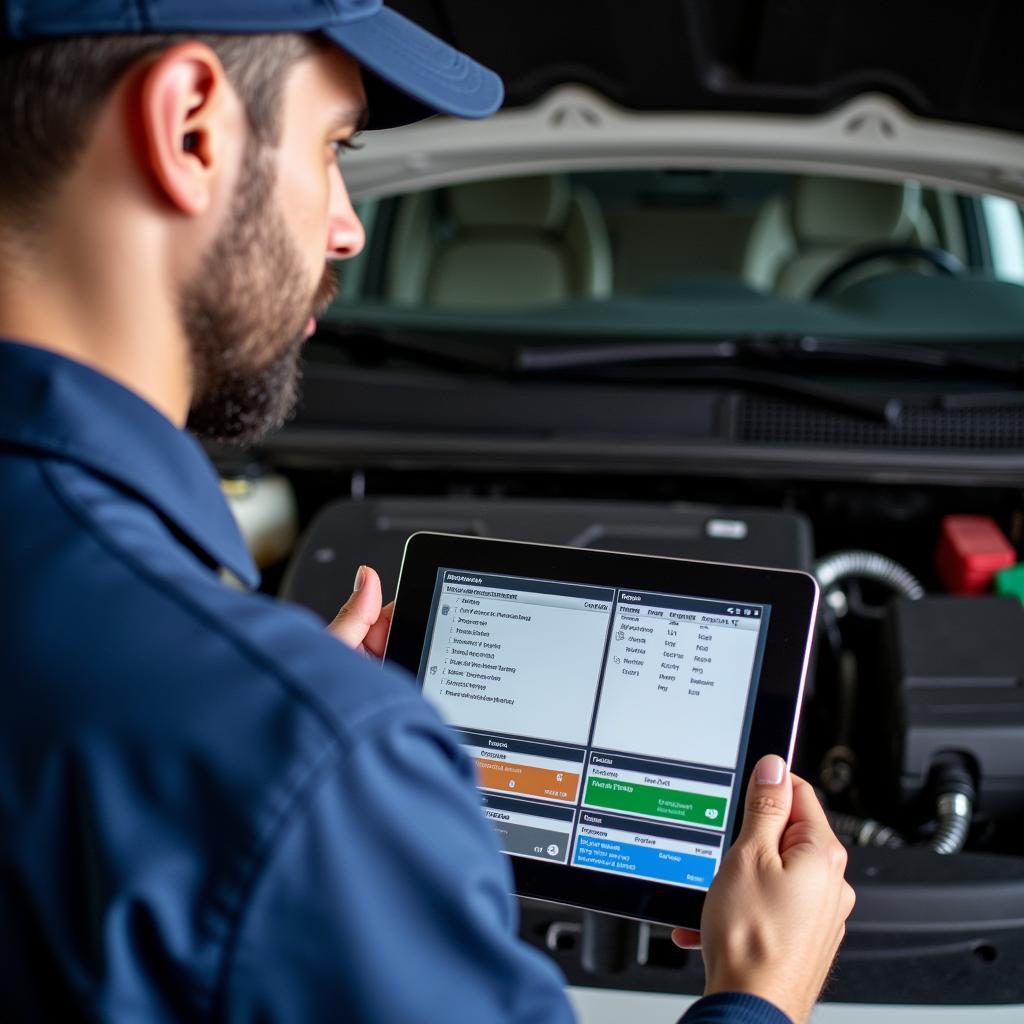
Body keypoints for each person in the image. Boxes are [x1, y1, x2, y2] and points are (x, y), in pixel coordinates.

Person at [0, 1, 855, 1021]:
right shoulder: (300, 762)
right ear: (190, 127)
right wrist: (760, 992)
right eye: (332, 146)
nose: (349, 223)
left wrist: (272, 715)